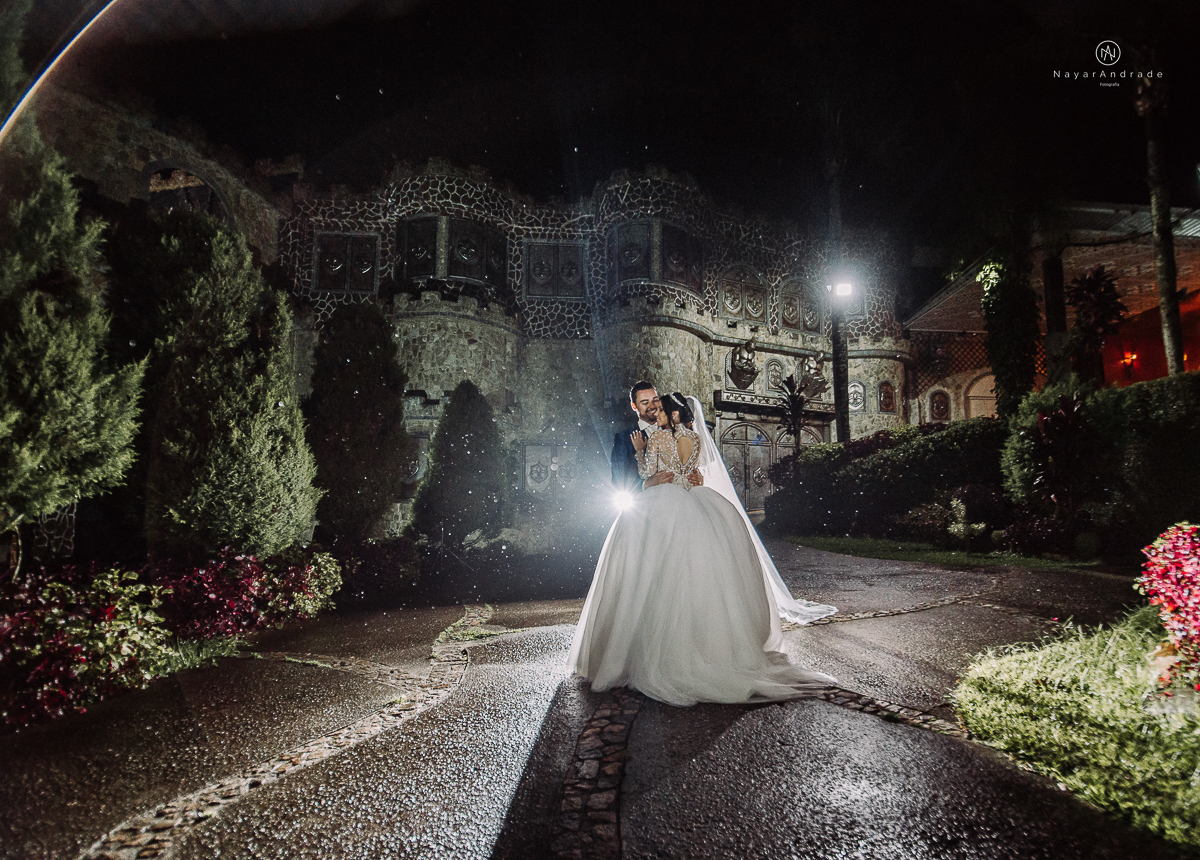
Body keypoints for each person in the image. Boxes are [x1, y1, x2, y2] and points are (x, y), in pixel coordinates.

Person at [569, 392, 837, 705]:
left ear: (672, 415)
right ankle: (713, 647)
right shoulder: (694, 440)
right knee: (700, 574)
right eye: (650, 406)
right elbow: (690, 474)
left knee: (661, 578)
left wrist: (642, 453)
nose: (656, 412)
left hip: (664, 506)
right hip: (696, 505)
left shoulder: (657, 440)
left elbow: (646, 473)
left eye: (660, 408)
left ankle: (654, 653)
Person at [609, 381, 702, 495]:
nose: (652, 406)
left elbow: (687, 464)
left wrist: (697, 477)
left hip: (682, 497)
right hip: (647, 502)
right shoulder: (624, 438)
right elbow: (619, 480)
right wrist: (647, 484)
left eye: (655, 400)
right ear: (634, 406)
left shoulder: (682, 433)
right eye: (645, 403)